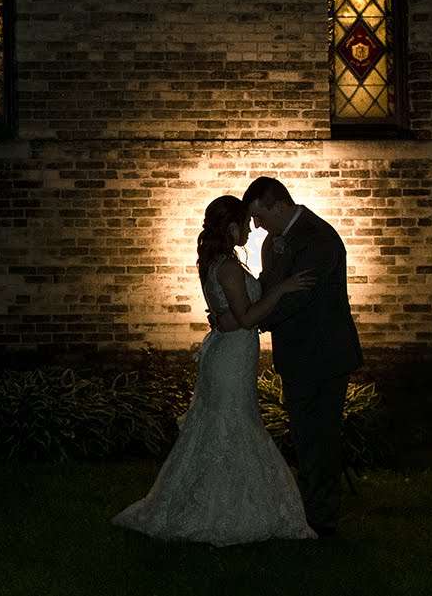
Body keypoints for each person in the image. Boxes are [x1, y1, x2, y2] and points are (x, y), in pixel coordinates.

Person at [111, 195, 317, 546]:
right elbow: (247, 317)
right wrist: (281, 289)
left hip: (228, 352)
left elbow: (231, 315)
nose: (251, 230)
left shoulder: (215, 262)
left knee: (221, 427)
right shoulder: (229, 267)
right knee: (233, 426)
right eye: (245, 224)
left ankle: (211, 500)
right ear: (232, 226)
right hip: (231, 358)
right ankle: (226, 511)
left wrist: (228, 317)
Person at [213, 176, 364, 539]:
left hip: (325, 356)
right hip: (295, 357)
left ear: (277, 205)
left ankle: (323, 521)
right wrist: (237, 311)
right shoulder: (272, 245)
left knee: (321, 438)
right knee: (304, 436)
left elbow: (298, 297)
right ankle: (308, 510)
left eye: (259, 217)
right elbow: (268, 286)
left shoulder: (319, 239)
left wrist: (247, 320)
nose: (257, 226)